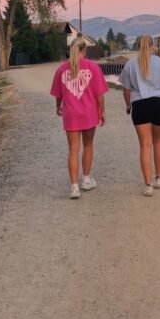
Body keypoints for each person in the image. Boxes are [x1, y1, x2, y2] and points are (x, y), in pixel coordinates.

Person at [119, 34, 160, 196]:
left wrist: (128, 105)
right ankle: (159, 177)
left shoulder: (130, 64)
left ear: (138, 46)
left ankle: (148, 185)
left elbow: (126, 89)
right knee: (158, 141)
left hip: (140, 105)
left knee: (145, 145)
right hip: (158, 105)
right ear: (153, 45)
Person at [50, 37, 108, 199]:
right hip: (89, 113)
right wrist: (102, 111)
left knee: (73, 149)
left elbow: (58, 94)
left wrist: (58, 106)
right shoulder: (93, 67)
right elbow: (99, 93)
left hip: (71, 115)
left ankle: (74, 187)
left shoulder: (62, 70)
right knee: (88, 145)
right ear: (85, 51)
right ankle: (86, 179)